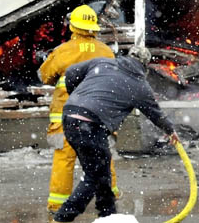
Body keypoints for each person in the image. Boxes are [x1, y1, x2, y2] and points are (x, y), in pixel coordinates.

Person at [52, 46, 179, 222]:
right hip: (91, 125)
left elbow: (72, 72)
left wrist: (78, 96)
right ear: (144, 65)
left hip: (69, 116)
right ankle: (63, 217)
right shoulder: (139, 85)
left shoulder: (102, 62)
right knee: (95, 176)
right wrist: (170, 130)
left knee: (102, 171)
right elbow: (155, 114)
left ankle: (108, 214)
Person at [39, 4, 119, 213]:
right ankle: (110, 195)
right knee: (102, 156)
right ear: (94, 28)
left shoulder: (62, 51)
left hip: (66, 118)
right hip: (97, 117)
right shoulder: (106, 52)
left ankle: (58, 204)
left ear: (73, 27)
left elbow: (44, 76)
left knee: (64, 159)